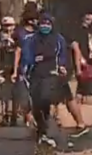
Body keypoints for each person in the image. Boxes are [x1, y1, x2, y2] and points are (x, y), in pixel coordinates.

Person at [20, 14, 69, 147]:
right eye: (43, 24)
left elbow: (62, 55)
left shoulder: (59, 39)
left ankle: (48, 129)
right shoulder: (31, 39)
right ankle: (41, 131)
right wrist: (30, 63)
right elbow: (26, 55)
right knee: (36, 105)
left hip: (51, 73)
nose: (45, 26)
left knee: (46, 98)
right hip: (35, 74)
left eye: (48, 24)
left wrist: (63, 66)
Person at [11, 5, 40, 127]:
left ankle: (36, 116)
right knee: (24, 93)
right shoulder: (20, 32)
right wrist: (15, 70)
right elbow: (18, 51)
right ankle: (28, 116)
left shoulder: (40, 32)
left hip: (38, 66)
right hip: (24, 67)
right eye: (34, 19)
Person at [0, 16, 19, 126]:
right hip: (3, 66)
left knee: (16, 91)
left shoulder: (18, 35)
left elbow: (20, 49)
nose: (8, 28)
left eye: (10, 25)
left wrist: (13, 42)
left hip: (15, 66)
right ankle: (5, 115)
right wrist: (3, 43)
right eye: (5, 25)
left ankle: (14, 114)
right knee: (4, 92)